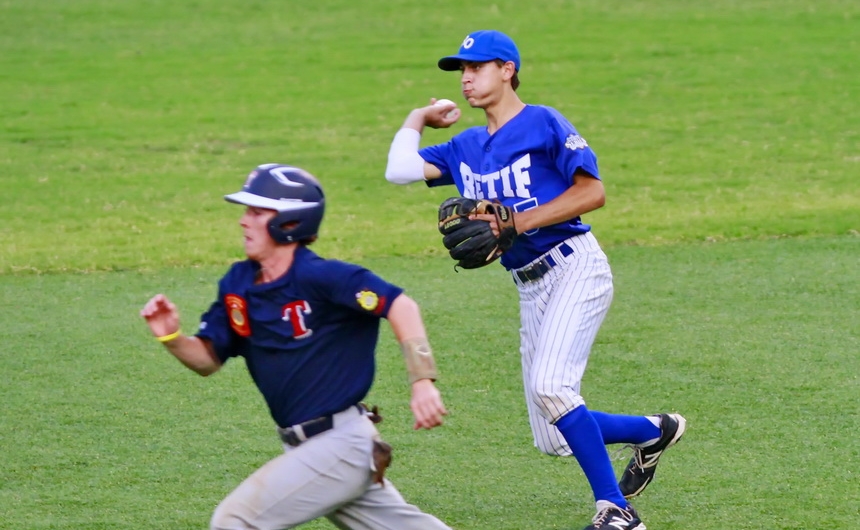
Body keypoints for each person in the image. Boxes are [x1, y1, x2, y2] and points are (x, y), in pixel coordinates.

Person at [384, 30, 686, 530]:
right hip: (530, 285)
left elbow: (593, 193)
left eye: (476, 67)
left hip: (575, 266)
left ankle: (617, 510)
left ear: (507, 70)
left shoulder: (543, 123)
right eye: (461, 70)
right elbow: (398, 171)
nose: (466, 79)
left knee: (552, 386)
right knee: (554, 437)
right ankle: (654, 431)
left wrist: (518, 222)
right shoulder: (466, 146)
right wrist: (419, 117)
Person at [141, 163, 452, 530]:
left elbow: (400, 306)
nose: (243, 221)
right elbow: (207, 360)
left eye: (257, 211)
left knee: (235, 521)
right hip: (310, 450)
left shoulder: (323, 276)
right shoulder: (238, 283)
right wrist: (172, 338)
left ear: (290, 222)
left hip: (341, 447)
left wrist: (422, 380)